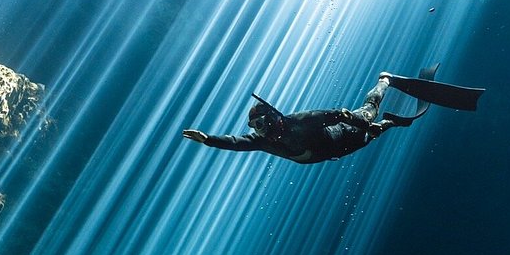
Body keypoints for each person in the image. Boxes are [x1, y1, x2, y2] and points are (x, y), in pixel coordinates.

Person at [181, 64, 483, 164]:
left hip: (344, 133)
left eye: (261, 122)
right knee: (375, 133)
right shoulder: (262, 141)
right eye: (254, 126)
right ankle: (387, 123)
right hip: (338, 150)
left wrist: (359, 120)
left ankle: (384, 80)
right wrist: (207, 139)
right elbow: (235, 142)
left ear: (274, 117)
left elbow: (337, 113)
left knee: (368, 115)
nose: (259, 130)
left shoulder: (300, 121)